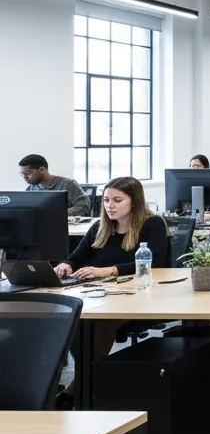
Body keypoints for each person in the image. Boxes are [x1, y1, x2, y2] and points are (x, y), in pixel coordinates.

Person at [52, 176, 171, 405]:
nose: (110, 206)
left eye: (117, 200)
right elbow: (77, 257)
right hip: (103, 292)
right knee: (78, 320)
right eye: (106, 200)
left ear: (134, 202)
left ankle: (77, 388)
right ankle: (87, 380)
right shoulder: (100, 226)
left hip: (142, 295)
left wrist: (108, 271)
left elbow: (155, 264)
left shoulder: (152, 224)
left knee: (103, 321)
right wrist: (66, 265)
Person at [19, 154, 91, 217]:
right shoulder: (31, 189)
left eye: (28, 173)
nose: (24, 177)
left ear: (42, 170)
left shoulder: (68, 184)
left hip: (66, 227)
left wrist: (53, 214)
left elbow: (83, 207)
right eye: (22, 174)